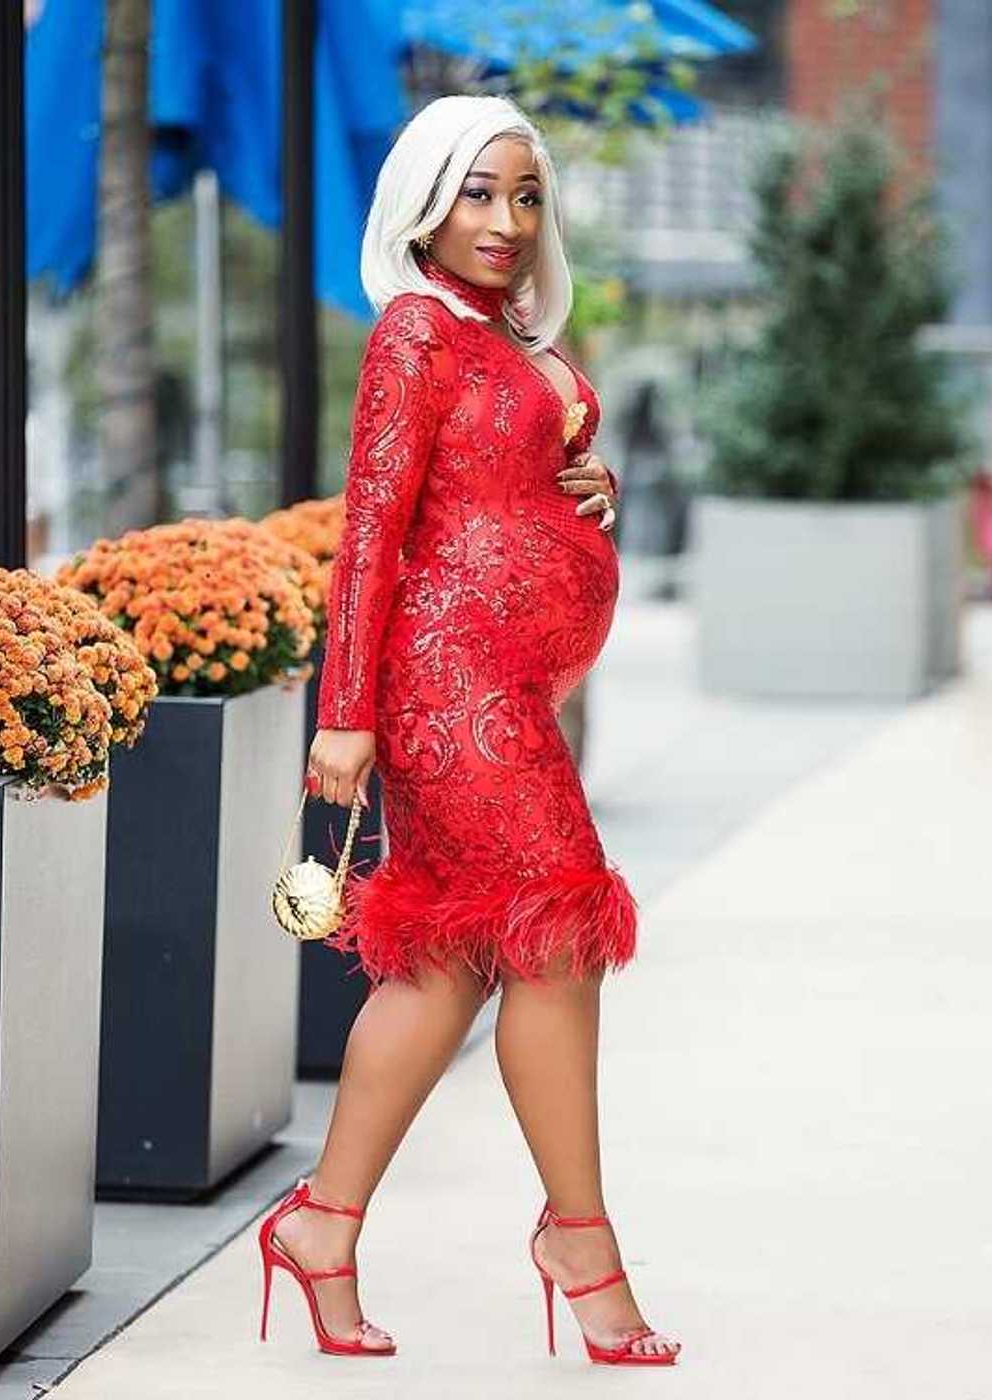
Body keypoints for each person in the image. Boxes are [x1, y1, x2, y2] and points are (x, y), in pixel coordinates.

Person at [257, 94, 681, 1367]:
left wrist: (577, 490)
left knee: (441, 958)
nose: (505, 219)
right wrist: (344, 717)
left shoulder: (501, 334)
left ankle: (323, 1224)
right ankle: (579, 1238)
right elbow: (373, 530)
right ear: (425, 200)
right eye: (478, 192)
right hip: (450, 690)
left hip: (504, 683)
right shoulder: (413, 332)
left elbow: (492, 483)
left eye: (526, 195)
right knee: (558, 922)